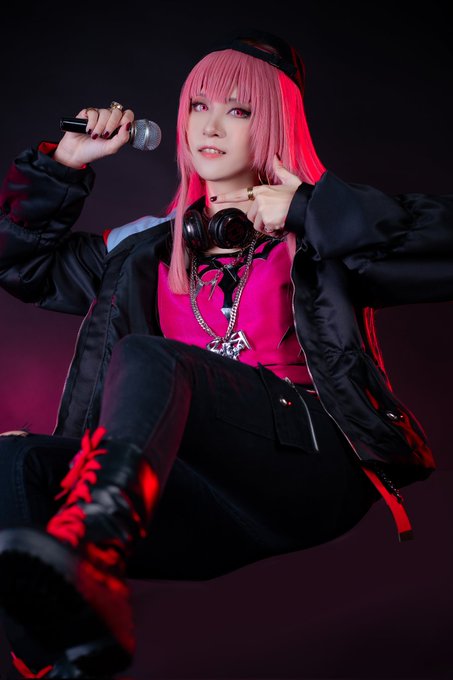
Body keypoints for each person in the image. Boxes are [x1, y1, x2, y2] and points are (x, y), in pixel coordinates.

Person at [0, 28, 451, 679]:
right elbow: (24, 267)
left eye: (237, 110)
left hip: (311, 471)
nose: (209, 126)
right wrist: (64, 164)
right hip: (195, 489)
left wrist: (312, 210)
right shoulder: (149, 246)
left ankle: (92, 550)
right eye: (198, 106)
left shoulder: (322, 228)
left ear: (271, 125)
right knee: (13, 463)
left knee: (150, 357)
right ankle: (61, 652)